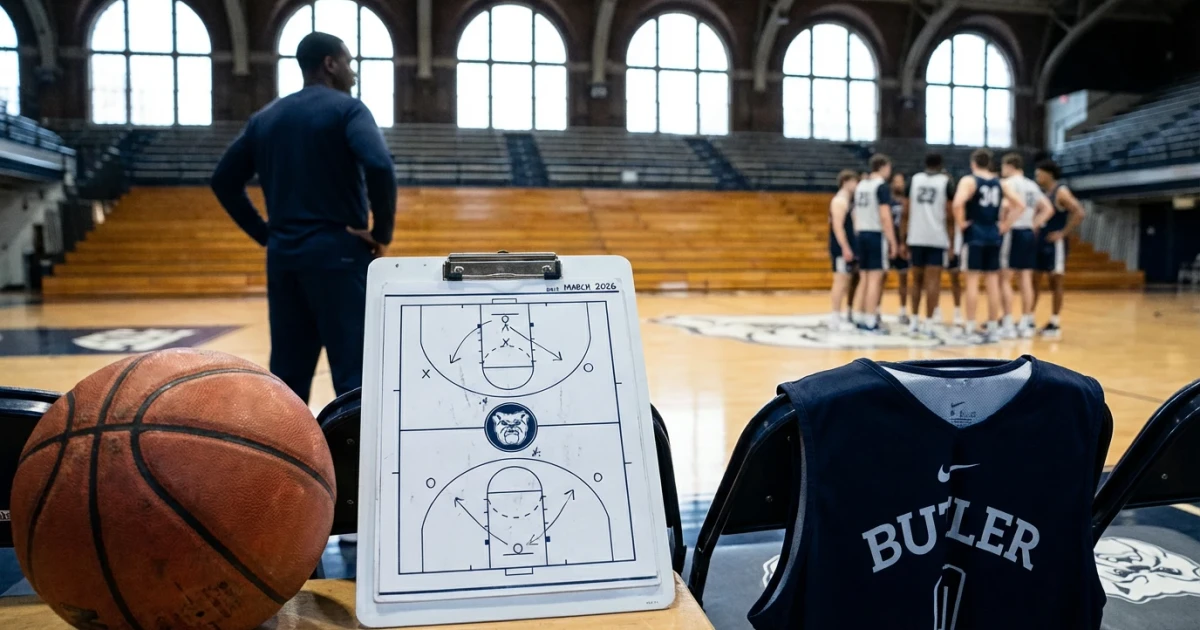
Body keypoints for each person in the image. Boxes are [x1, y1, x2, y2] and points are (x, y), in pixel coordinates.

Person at [211, 32, 397, 402]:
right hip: (339, 255)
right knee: (354, 374)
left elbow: (223, 180)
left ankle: (287, 441)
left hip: (284, 258)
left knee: (288, 374)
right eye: (349, 62)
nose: (353, 72)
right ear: (330, 64)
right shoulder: (348, 109)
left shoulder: (265, 118)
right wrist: (381, 233)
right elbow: (379, 164)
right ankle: (351, 443)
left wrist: (265, 234)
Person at [951, 149, 1024, 343]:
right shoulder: (1000, 182)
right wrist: (1005, 225)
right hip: (993, 234)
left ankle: (970, 326)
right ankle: (992, 327)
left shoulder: (969, 181)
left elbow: (957, 203)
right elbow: (1020, 205)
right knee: (993, 283)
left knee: (972, 282)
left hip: (975, 234)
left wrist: (961, 223)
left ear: (973, 163)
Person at [999, 154, 1055, 339]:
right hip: (1028, 233)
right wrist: (1034, 224)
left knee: (1005, 278)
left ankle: (1008, 322)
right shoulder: (1032, 185)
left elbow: (1006, 206)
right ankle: (1026, 322)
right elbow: (1048, 209)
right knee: (1025, 278)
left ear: (1009, 166)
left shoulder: (1008, 183)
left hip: (1013, 231)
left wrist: (1004, 224)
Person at [1033, 160, 1087, 339]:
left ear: (1049, 174)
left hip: (1055, 243)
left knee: (1055, 282)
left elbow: (1079, 212)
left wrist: (1063, 233)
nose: (1037, 177)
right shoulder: (1043, 193)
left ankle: (1054, 322)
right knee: (1034, 280)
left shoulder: (1061, 191)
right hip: (1041, 241)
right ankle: (1029, 319)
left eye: (1039, 173)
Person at [905, 154, 956, 337]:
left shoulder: (914, 180)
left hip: (915, 236)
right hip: (936, 237)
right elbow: (950, 215)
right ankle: (928, 322)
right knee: (933, 282)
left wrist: (903, 238)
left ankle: (913, 321)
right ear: (941, 165)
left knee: (916, 281)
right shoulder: (945, 182)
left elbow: (905, 211)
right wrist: (952, 242)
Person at [852, 155, 898, 333]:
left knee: (863, 277)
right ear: (883, 167)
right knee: (875, 279)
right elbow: (885, 216)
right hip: (875, 233)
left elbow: (855, 212)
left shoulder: (861, 185)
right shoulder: (881, 186)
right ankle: (871, 320)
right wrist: (892, 241)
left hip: (861, 233)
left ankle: (858, 315)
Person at [827, 170, 859, 330]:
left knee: (846, 281)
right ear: (846, 182)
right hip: (840, 247)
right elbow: (838, 227)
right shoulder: (839, 200)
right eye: (854, 181)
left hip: (847, 245)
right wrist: (845, 247)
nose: (856, 185)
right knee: (840, 281)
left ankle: (840, 315)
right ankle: (835, 317)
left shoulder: (848, 200)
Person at [888, 173, 911, 325]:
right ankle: (876, 310)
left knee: (903, 278)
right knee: (881, 277)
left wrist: (904, 242)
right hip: (889, 241)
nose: (899, 184)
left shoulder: (906, 202)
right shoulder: (887, 200)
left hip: (903, 242)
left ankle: (902, 311)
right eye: (896, 181)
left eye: (901, 181)